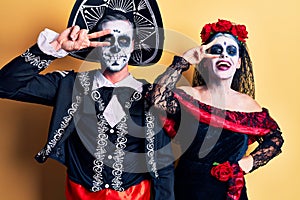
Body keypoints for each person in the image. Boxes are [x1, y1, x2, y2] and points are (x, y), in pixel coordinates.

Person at [0, 0, 175, 199]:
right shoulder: (70, 85)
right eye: (107, 40)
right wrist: (53, 48)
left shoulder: (151, 95)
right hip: (80, 194)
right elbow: (5, 86)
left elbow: (163, 167)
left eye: (124, 40)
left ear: (134, 44)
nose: (116, 48)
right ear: (95, 44)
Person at [148, 19, 284, 199]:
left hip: (230, 191)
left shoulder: (249, 105)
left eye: (231, 51)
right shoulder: (188, 95)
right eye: (216, 51)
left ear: (238, 63)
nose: (224, 56)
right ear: (204, 62)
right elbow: (156, 99)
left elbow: (275, 138)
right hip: (187, 189)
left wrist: (248, 163)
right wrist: (184, 61)